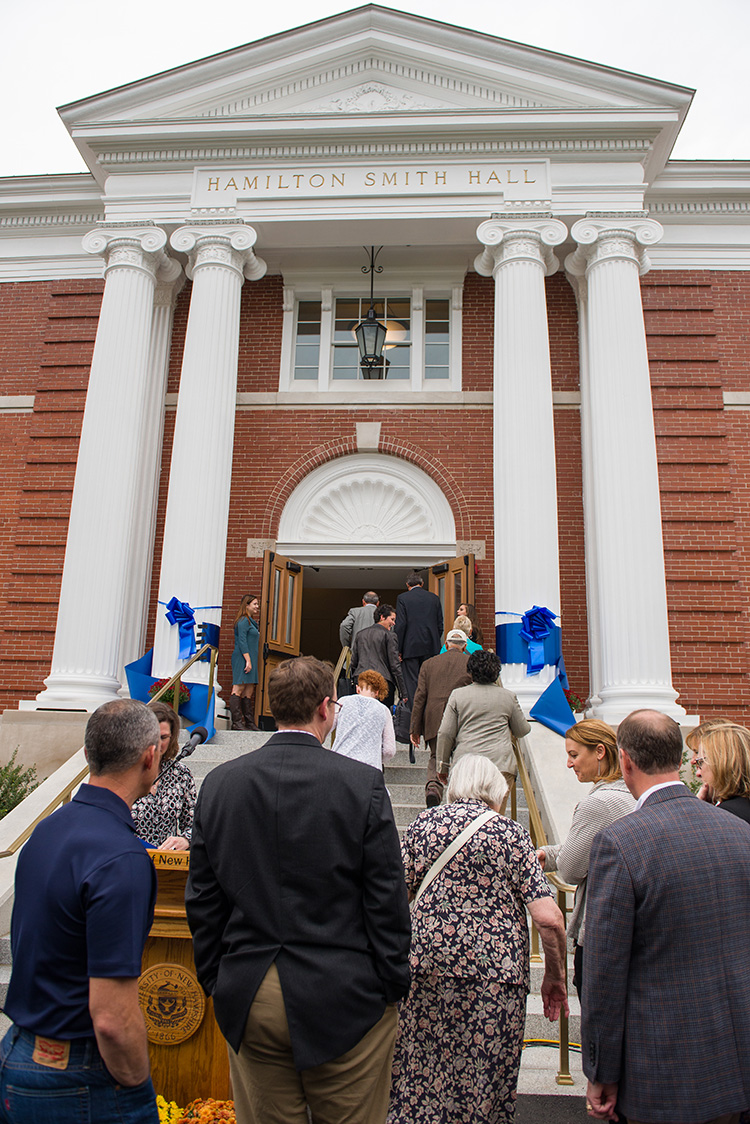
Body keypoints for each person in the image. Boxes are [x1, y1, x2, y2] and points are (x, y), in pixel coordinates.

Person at [186, 655, 411, 1124]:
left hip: (251, 989)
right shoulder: (362, 785)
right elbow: (386, 896)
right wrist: (392, 983)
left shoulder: (220, 783)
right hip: (345, 991)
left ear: (272, 705)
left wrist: (217, 979)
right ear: (327, 708)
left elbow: (203, 898)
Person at [583, 709, 750, 1124]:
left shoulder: (619, 842)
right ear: (679, 756)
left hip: (660, 1069)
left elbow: (604, 970)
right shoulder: (739, 832)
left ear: (624, 761)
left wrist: (600, 1070)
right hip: (737, 1062)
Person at [0, 699, 161, 1124]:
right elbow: (110, 1016)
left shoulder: (48, 829)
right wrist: (139, 1085)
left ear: (89, 753)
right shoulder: (123, 858)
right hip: (79, 1077)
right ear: (150, 756)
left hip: (19, 1051)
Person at [388, 754, 568, 1124]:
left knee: (416, 1075)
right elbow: (549, 919)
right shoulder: (510, 833)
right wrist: (554, 976)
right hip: (495, 978)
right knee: (484, 1083)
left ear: (454, 787)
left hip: (426, 968)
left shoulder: (424, 825)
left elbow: (393, 898)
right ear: (497, 793)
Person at [536, 719, 635, 998]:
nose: (569, 764)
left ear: (600, 751)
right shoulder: (631, 793)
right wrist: (552, 855)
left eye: (574, 755)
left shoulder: (599, 804)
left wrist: (558, 859)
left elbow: (570, 870)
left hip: (599, 934)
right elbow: (592, 848)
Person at [436, 649, 529, 813]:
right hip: (500, 764)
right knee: (495, 818)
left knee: (463, 816)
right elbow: (522, 730)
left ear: (470, 672)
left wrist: (442, 766)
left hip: (466, 764)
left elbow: (445, 733)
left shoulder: (458, 695)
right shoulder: (508, 697)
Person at [410, 628, 472, 807]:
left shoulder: (429, 664)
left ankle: (433, 788)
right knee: (462, 757)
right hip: (462, 718)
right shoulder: (470, 663)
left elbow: (420, 696)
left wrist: (415, 728)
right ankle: (463, 796)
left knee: (436, 756)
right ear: (464, 646)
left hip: (434, 717)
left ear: (446, 645)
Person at [131, 700, 197, 850]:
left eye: (163, 737)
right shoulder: (127, 770)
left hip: (168, 866)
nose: (158, 743)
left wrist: (185, 840)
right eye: (153, 736)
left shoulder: (181, 774)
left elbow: (195, 824)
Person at [686, 718, 750, 823]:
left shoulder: (726, 817)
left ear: (721, 764)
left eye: (700, 762)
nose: (698, 773)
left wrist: (698, 816)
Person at [332, 669, 396, 772]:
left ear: (357, 689)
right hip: (370, 768)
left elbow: (328, 726)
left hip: (340, 763)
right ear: (377, 692)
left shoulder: (343, 702)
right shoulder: (384, 710)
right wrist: (377, 759)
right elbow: (389, 750)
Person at [394, 571, 443, 702]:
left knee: (412, 683)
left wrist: (398, 649)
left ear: (407, 584)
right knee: (429, 680)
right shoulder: (434, 598)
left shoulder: (403, 598)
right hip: (431, 646)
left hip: (410, 646)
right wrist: (435, 640)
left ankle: (413, 714)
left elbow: (401, 625)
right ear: (422, 583)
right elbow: (440, 625)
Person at [351, 603, 407, 708]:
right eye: (392, 619)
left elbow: (354, 662)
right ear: (382, 617)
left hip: (361, 680)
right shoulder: (390, 636)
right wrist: (403, 692)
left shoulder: (360, 634)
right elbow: (395, 665)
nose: (394, 623)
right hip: (382, 682)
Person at [229, 593, 260, 730]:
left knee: (249, 690)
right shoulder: (243, 621)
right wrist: (247, 660)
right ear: (246, 605)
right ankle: (236, 722)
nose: (257, 607)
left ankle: (249, 722)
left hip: (251, 659)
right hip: (242, 658)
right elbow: (242, 641)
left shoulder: (251, 622)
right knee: (238, 688)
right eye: (254, 604)